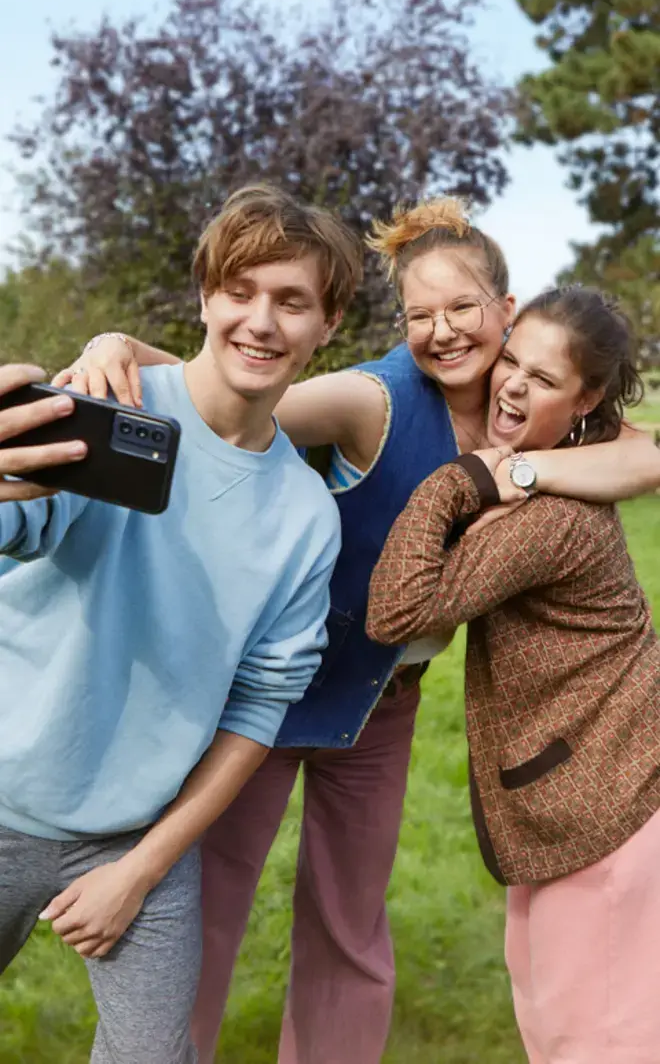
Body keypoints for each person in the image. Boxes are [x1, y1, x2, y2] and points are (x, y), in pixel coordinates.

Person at [59, 199, 660, 1064]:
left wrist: (522, 466)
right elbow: (232, 388)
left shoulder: (525, 410)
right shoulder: (369, 398)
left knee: (348, 922)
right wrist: (123, 349)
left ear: (508, 312)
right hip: (273, 696)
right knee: (210, 905)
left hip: (383, 711)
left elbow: (644, 454)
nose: (443, 331)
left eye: (462, 309)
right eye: (420, 315)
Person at [0, 183, 360, 1063]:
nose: (262, 321)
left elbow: (255, 710)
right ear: (205, 296)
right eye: (241, 291)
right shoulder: (108, 405)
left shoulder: (307, 517)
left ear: (328, 327)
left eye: (292, 301)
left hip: (134, 835)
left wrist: (139, 869)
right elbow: (17, 525)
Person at [367, 285, 660, 1064]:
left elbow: (395, 612)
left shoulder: (551, 515)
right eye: (511, 362)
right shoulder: (564, 472)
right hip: (579, 802)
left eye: (546, 379)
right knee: (556, 1023)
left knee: (597, 1039)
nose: (514, 386)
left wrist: (465, 478)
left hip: (604, 809)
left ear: (587, 399)